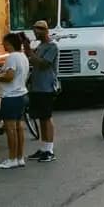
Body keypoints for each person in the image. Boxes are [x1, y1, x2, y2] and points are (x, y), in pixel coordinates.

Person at [0, 33, 30, 169]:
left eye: (4, 43)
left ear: (9, 43)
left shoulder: (11, 57)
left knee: (10, 129)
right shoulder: (23, 56)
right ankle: (20, 157)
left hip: (11, 96)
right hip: (22, 94)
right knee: (18, 127)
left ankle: (12, 158)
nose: (3, 45)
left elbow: (10, 76)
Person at [25, 20, 59, 163]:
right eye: (34, 31)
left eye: (38, 31)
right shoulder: (40, 46)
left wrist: (29, 52)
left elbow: (44, 64)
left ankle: (50, 150)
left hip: (47, 86)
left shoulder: (52, 46)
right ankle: (44, 147)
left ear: (45, 31)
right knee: (41, 117)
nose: (35, 33)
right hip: (37, 86)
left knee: (47, 117)